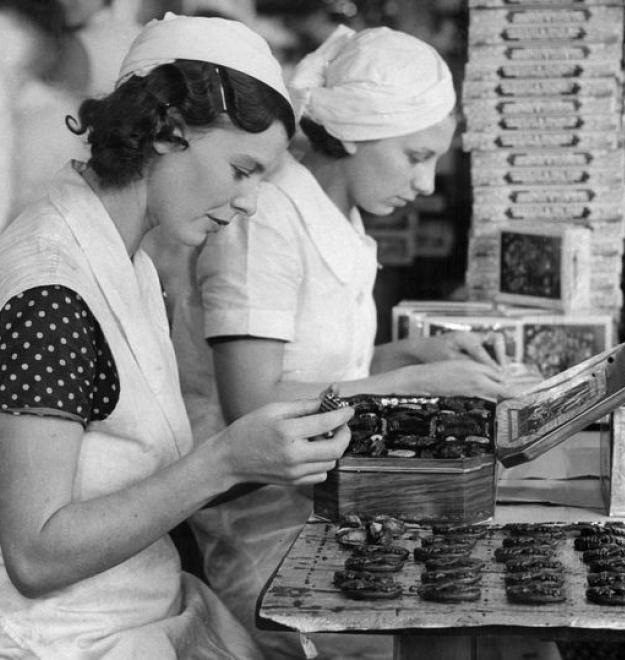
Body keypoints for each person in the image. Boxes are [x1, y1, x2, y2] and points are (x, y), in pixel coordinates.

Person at [0, 13, 354, 659]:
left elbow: (134, 467)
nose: (249, 202)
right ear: (165, 131)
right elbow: (37, 553)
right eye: (242, 169)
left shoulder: (126, 260)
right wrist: (223, 461)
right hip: (66, 640)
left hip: (145, 612)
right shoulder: (52, 289)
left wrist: (272, 455)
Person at [171, 25, 521, 660]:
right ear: (356, 134)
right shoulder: (265, 219)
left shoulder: (339, 216)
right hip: (266, 537)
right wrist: (410, 386)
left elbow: (324, 371)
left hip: (335, 506)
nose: (427, 184)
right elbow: (256, 406)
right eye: (415, 156)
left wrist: (412, 357)